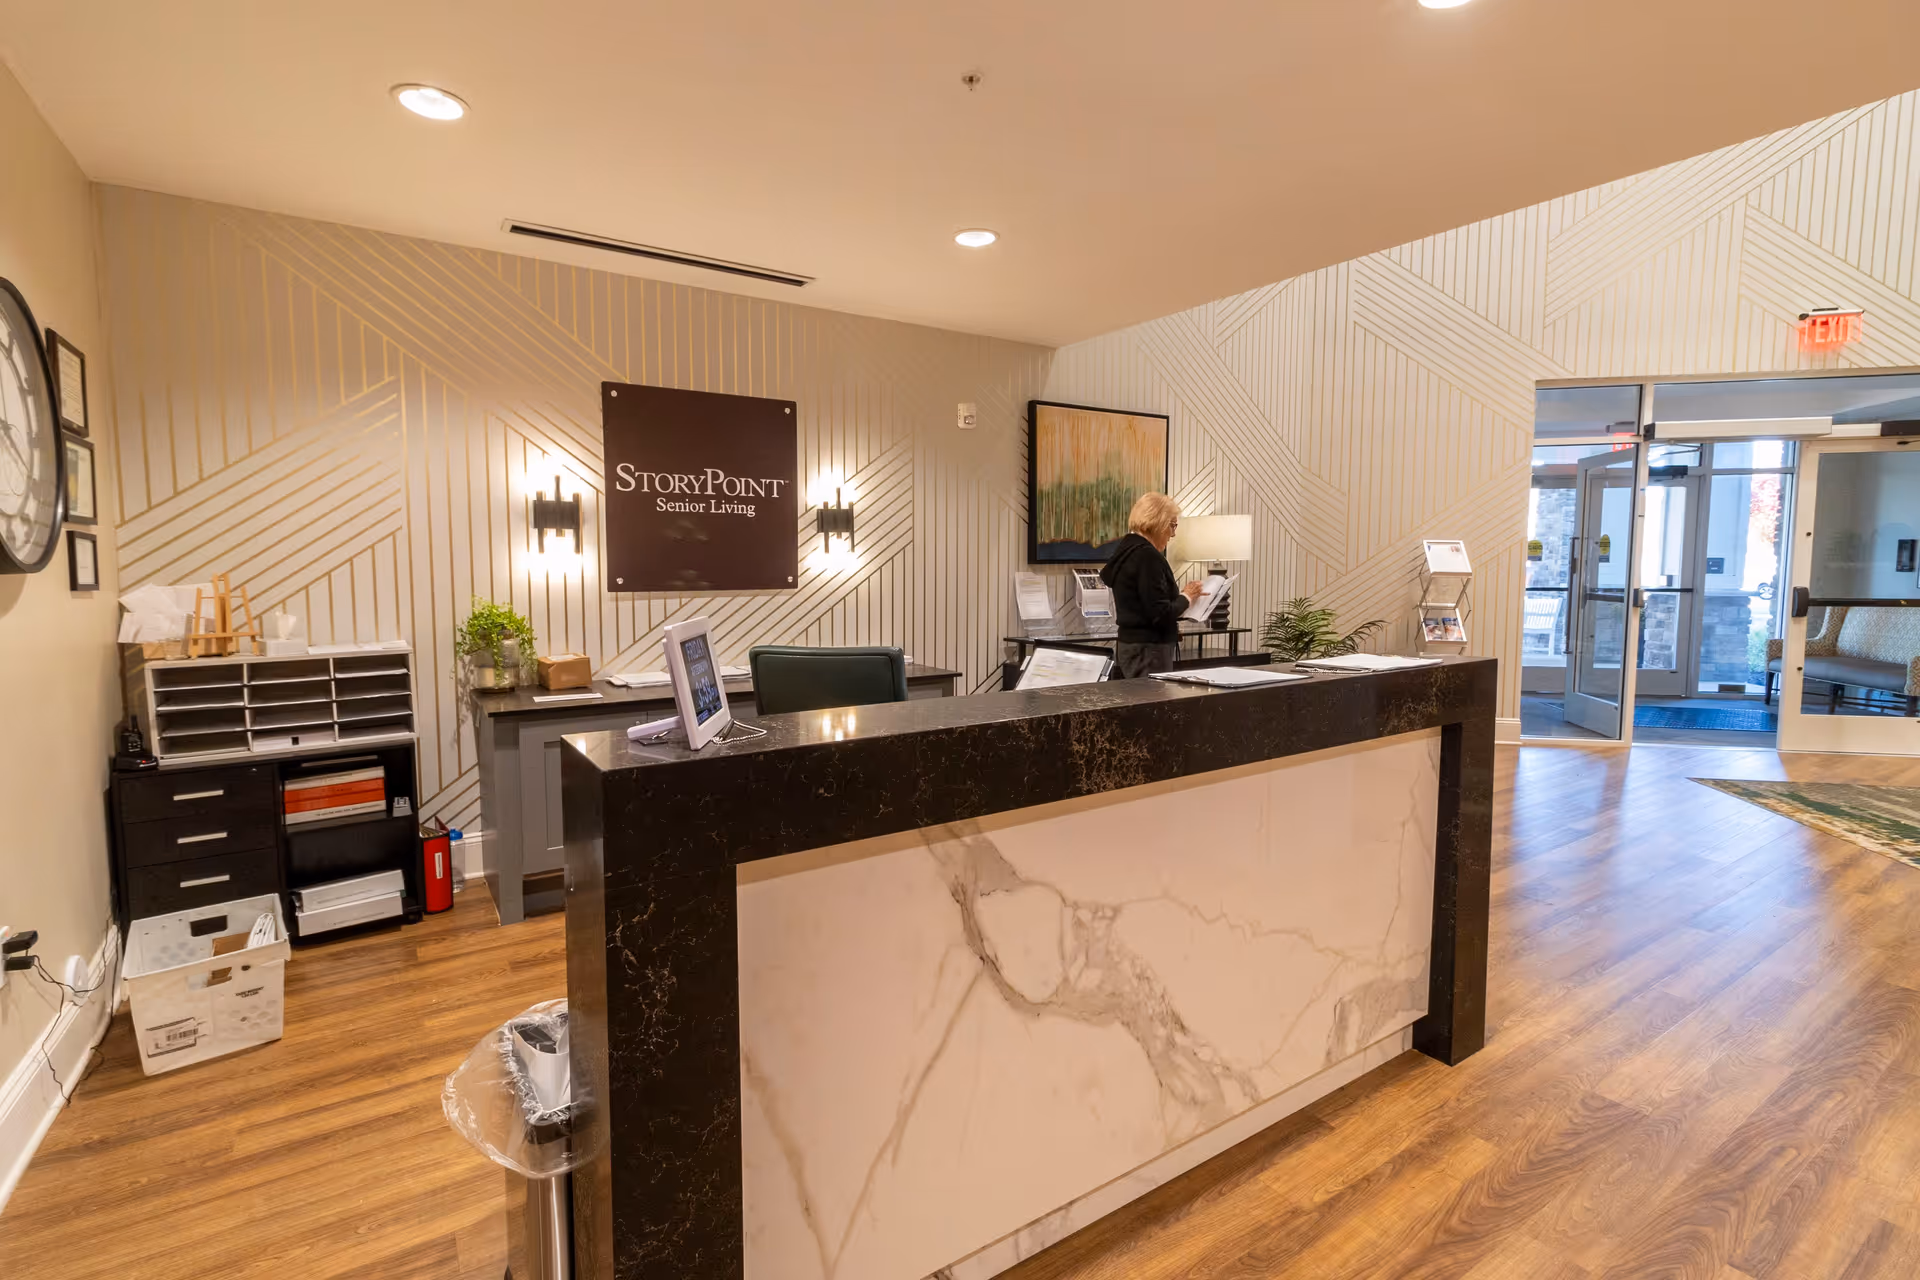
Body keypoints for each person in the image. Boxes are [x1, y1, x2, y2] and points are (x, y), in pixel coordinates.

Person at [1101, 492, 1204, 678]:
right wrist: (1187, 597)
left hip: (1130, 645)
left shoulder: (1127, 550)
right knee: (1151, 704)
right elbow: (1160, 613)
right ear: (1158, 522)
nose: (1173, 534)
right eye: (1172, 526)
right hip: (1149, 649)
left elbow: (1148, 603)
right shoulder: (1147, 556)